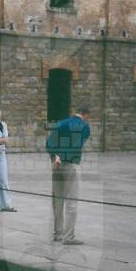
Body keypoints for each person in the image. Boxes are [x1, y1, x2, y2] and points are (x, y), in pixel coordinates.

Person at [46, 104, 91, 245]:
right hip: (71, 164)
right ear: (86, 115)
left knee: (57, 200)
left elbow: (49, 143)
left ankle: (58, 234)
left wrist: (55, 156)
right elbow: (78, 143)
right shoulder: (84, 126)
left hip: (57, 164)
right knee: (72, 201)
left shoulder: (61, 124)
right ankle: (68, 236)